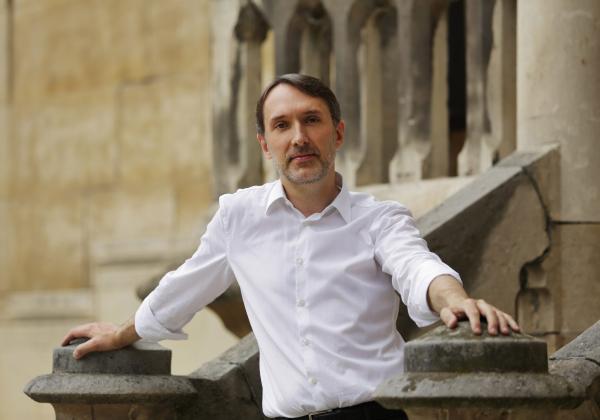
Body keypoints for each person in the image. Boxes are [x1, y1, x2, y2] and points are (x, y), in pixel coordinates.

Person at [63, 74, 520, 420]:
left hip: (375, 413)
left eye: (311, 120)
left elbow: (418, 267)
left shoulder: (379, 219)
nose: (298, 136)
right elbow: (186, 285)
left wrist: (456, 301)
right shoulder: (239, 217)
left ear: (337, 134)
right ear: (266, 144)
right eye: (282, 125)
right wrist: (124, 334)